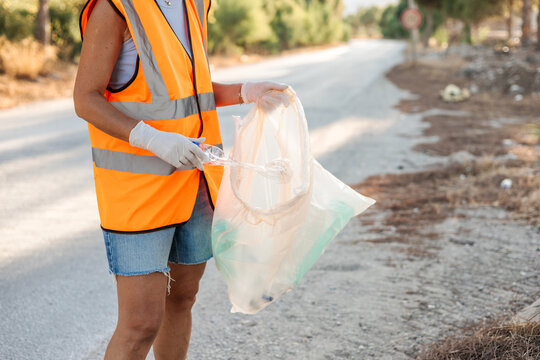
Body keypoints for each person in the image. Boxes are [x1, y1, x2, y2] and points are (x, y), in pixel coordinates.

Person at [73, 0, 288, 359]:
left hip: (195, 185)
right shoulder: (115, 9)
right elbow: (85, 99)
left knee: (182, 300)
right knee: (140, 324)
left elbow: (192, 90)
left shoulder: (195, 4)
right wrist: (152, 138)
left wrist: (245, 91)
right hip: (139, 196)